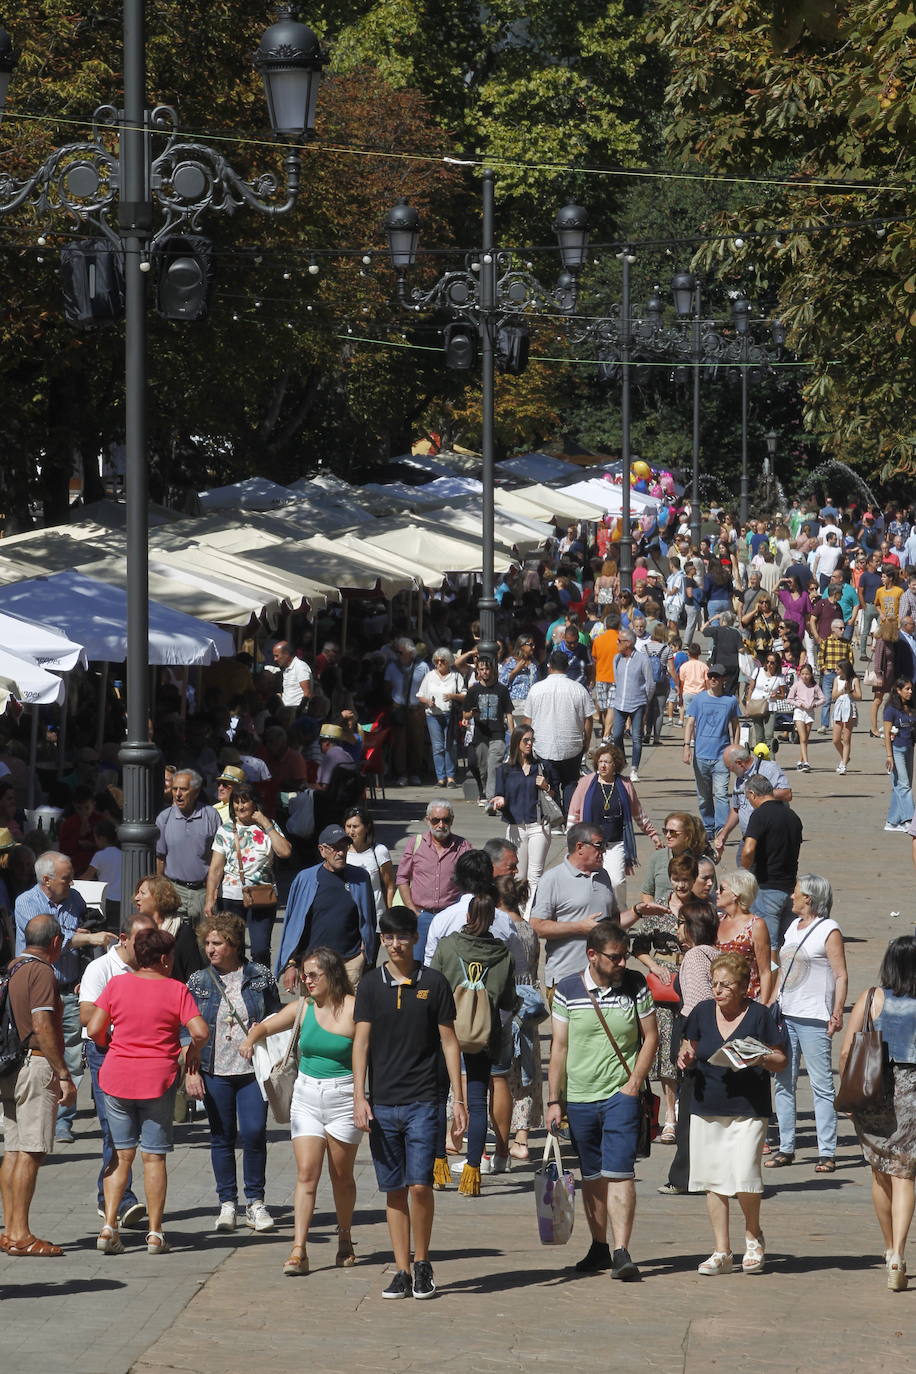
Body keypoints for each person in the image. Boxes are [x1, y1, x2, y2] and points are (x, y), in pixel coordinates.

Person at [352, 907, 468, 1300]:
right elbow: (361, 1043)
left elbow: (449, 1042)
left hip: (424, 1100)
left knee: (420, 1185)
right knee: (394, 1190)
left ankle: (423, 1262)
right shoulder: (369, 985)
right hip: (383, 1102)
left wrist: (459, 1098)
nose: (396, 943)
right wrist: (359, 1096)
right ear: (381, 940)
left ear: (415, 939)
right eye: (389, 937)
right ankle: (401, 1269)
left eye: (402, 936)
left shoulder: (433, 983)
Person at [546, 920, 658, 1280]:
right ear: (591, 955)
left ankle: (622, 1250)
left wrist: (634, 1083)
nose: (622, 963)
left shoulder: (635, 986)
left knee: (621, 1172)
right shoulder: (567, 990)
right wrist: (554, 1100)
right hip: (579, 1098)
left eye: (625, 956)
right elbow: (559, 1048)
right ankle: (599, 1246)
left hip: (620, 1095)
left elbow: (650, 1036)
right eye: (615, 957)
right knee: (592, 1175)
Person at [240, 946, 362, 1276]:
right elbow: (267, 1025)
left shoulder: (354, 1009)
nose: (306, 981)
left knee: (342, 1177)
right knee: (306, 1174)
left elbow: (370, 1055)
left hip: (343, 1098)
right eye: (304, 974)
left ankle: (345, 1235)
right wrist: (251, 1039)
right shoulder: (304, 1008)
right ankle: (299, 1249)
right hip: (307, 1097)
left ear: (332, 975)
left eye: (312, 975)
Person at [87, 927, 209, 1256]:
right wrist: (190, 1052)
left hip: (117, 1076)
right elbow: (200, 1030)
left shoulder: (116, 984)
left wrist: (110, 1046)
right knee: (153, 1157)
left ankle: (109, 1226)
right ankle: (155, 1233)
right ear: (166, 958)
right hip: (157, 1078)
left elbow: (95, 1028)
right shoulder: (176, 990)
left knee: (120, 1155)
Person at [678, 952, 788, 1275]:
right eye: (714, 983)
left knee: (744, 1175)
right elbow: (689, 1048)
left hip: (748, 1108)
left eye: (726, 984)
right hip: (707, 1104)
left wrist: (761, 1059)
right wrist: (685, 1056)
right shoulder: (700, 1012)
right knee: (713, 1179)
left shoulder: (759, 1016)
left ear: (743, 987)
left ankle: (753, 1236)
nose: (718, 990)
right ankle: (722, 1251)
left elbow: (781, 1059)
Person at [185, 912, 282, 1234]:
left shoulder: (260, 976)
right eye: (207, 943)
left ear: (234, 943)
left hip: (253, 1069)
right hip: (215, 1069)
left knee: (254, 1132)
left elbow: (277, 1017)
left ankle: (255, 1202)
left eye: (218, 943)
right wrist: (191, 1071)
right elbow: (188, 1029)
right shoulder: (198, 981)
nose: (211, 949)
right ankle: (228, 1202)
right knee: (221, 1136)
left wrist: (264, 1028)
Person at [14, 850, 116, 1145]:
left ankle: (63, 1120)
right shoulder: (26, 902)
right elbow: (50, 938)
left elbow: (80, 939)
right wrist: (87, 937)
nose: (72, 884)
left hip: (68, 987)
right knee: (37, 1054)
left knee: (71, 1054)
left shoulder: (75, 900)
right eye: (66, 879)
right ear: (46, 880)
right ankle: (34, 1113)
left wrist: (85, 974)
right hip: (35, 991)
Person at [841, 935, 916, 1292]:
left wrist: (847, 1094)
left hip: (872, 1090)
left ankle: (888, 1248)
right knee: (905, 1173)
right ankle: (900, 1253)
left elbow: (845, 1053)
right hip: (912, 1094)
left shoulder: (871, 998)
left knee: (879, 1172)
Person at [430, 894, 517, 1195]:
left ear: (467, 915)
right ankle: (472, 1174)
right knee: (477, 1102)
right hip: (483, 1034)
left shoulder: (447, 946)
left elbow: (434, 986)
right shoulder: (503, 955)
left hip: (445, 1032)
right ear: (493, 919)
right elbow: (507, 1000)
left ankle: (439, 1167)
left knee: (441, 1098)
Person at [0, 915, 76, 1257]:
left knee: (14, 1151)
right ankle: (20, 1233)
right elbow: (43, 1023)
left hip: (10, 1068)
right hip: (34, 1063)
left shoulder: (12, 968)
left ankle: (11, 1228)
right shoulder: (42, 971)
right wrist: (62, 1072)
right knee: (32, 1151)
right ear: (56, 943)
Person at [78, 911, 157, 1229]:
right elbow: (86, 1015)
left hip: (141, 1052)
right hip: (105, 1051)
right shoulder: (100, 968)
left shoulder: (152, 966)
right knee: (114, 1128)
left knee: (132, 1130)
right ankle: (120, 1200)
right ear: (123, 939)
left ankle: (108, 1195)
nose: (150, 945)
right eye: (143, 939)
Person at [767, 875, 847, 1173]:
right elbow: (783, 969)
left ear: (809, 899)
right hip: (786, 1014)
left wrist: (837, 1011)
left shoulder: (829, 930)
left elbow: (840, 974)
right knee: (783, 1082)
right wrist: (773, 1000)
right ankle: (786, 1147)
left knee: (821, 1084)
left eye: (797, 893)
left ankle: (827, 1152)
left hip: (814, 1017)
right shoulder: (792, 926)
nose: (791, 897)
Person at [658, 900, 720, 1196]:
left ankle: (684, 1177)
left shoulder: (695, 957)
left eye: (681, 923)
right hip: (711, 1038)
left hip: (697, 1037)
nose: (677, 929)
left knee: (690, 1112)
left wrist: (688, 1042)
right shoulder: (714, 954)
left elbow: (697, 1003)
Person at [277, 825, 377, 991]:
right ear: (322, 850)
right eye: (335, 848)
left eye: (344, 848)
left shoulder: (360, 878)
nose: (341, 853)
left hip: (350, 962)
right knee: (313, 1015)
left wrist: (365, 953)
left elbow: (369, 918)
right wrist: (291, 964)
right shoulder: (305, 879)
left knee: (349, 1015)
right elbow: (293, 926)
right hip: (313, 965)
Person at [204, 784, 291, 966]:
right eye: (236, 802)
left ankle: (263, 987)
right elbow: (216, 868)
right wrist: (210, 898)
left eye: (245, 802)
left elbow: (285, 852)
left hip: (262, 895)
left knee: (260, 950)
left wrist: (266, 823)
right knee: (233, 949)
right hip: (230, 897)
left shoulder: (269, 826)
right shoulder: (225, 830)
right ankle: (239, 988)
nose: (240, 807)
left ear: (254, 804)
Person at [566, 743, 662, 908]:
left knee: (616, 882)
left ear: (615, 765)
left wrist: (653, 834)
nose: (603, 765)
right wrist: (571, 838)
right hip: (590, 844)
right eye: (601, 761)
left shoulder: (625, 785)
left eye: (607, 762)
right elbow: (574, 811)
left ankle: (620, 915)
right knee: (591, 882)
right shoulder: (586, 783)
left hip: (615, 842)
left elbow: (638, 812)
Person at [394, 801, 472, 961]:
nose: (441, 825)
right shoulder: (415, 844)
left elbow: (471, 881)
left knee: (451, 963)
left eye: (446, 820)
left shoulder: (464, 847)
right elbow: (402, 878)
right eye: (436, 820)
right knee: (417, 963)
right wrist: (412, 910)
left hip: (451, 918)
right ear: (427, 820)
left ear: (452, 820)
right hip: (422, 917)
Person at [525, 649, 595, 813]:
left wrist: (526, 744)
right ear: (567, 667)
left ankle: (555, 818)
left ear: (549, 666)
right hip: (572, 745)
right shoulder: (578, 689)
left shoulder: (536, 689)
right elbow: (588, 719)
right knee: (571, 783)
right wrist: (586, 741)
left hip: (544, 745)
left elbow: (528, 720)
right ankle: (569, 817)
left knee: (550, 783)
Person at [490, 727, 554, 903]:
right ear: (516, 742)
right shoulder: (505, 769)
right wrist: (499, 801)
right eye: (525, 740)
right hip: (515, 827)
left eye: (532, 740)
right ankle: (518, 913)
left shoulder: (542, 766)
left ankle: (530, 917)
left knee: (535, 875)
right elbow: (498, 794)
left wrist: (546, 786)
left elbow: (555, 797)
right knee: (517, 875)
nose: (529, 743)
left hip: (539, 826)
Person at [740, 774, 803, 951]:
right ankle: (784, 978)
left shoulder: (759, 815)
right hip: (790, 888)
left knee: (768, 946)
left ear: (752, 794)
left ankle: (771, 978)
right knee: (787, 945)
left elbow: (748, 849)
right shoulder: (792, 816)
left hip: (766, 888)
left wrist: (745, 871)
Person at [155, 769, 220, 924]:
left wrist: (213, 892)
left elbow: (219, 859)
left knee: (206, 943)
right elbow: (160, 859)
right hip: (175, 891)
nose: (178, 794)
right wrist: (160, 891)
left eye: (183, 789)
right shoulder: (164, 818)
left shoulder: (211, 816)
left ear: (196, 792)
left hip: (204, 891)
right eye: (175, 789)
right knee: (176, 943)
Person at [683, 665, 740, 840]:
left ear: (724, 680)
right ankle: (708, 827)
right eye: (711, 676)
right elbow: (690, 723)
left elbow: (736, 725)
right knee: (704, 797)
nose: (714, 679)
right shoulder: (699, 700)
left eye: (717, 676)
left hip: (721, 756)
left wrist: (735, 749)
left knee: (721, 794)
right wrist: (686, 746)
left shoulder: (730, 701)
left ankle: (721, 830)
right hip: (701, 755)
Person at [714, 743, 792, 857]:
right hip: (748, 837)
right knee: (742, 866)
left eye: (729, 767)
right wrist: (723, 835)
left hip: (770, 839)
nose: (730, 771)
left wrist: (761, 793)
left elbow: (787, 794)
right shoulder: (740, 778)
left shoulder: (769, 769)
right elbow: (736, 809)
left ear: (739, 763)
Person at [134, 873, 206, 984]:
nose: (136, 898)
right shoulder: (135, 929)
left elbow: (193, 973)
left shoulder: (183, 932)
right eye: (137, 893)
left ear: (159, 898)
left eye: (142, 893)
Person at [461, 655, 515, 803]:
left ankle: (491, 799)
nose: (485, 672)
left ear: (492, 670)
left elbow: (508, 713)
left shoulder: (501, 690)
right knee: (482, 767)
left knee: (493, 766)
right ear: (477, 671)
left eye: (487, 668)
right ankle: (484, 791)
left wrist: (513, 734)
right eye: (481, 669)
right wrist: (471, 713)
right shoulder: (474, 690)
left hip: (497, 734)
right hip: (480, 734)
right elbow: (465, 713)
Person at [716, 870, 774, 1003]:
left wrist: (763, 1007)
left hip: (747, 1000)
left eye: (722, 889)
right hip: (719, 999)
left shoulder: (756, 925)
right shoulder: (717, 921)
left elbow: (765, 971)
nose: (717, 892)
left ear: (735, 894)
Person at [610, 630, 655, 783]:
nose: (617, 643)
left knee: (637, 737)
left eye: (619, 640)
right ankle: (622, 761)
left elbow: (650, 683)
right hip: (620, 703)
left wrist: (646, 702)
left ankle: (634, 769)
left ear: (628, 643)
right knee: (616, 735)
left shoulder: (643, 659)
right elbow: (617, 680)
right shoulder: (617, 659)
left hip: (638, 703)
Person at [638, 811, 709, 905]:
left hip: (692, 914)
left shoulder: (702, 863)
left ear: (687, 836)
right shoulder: (657, 857)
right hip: (661, 915)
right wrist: (654, 911)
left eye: (673, 832)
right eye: (665, 831)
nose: (668, 836)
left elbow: (711, 896)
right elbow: (646, 893)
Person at [417, 648, 464, 787]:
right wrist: (427, 701)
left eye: (442, 661)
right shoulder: (430, 676)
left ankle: (451, 777)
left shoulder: (456, 676)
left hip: (450, 714)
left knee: (450, 745)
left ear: (448, 662)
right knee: (437, 747)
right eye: (436, 661)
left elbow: (464, 695)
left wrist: (452, 696)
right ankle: (441, 778)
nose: (438, 664)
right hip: (433, 715)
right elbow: (420, 695)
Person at [343, 806, 396, 924]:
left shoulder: (379, 851)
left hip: (375, 918)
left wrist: (390, 916)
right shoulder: (340, 853)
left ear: (367, 828)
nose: (351, 831)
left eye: (356, 827)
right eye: (348, 826)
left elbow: (390, 886)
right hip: (348, 919)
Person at [883, 677, 916, 832]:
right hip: (896, 750)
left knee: (901, 785)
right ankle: (910, 819)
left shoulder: (910, 707)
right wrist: (889, 756)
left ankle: (892, 821)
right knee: (904, 785)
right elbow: (887, 733)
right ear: (898, 690)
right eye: (907, 689)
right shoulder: (890, 709)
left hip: (909, 748)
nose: (910, 692)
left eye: (911, 689)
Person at [743, 651, 787, 751]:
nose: (769, 665)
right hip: (756, 705)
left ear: (777, 664)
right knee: (759, 736)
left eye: (772, 663)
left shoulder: (780, 677)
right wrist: (748, 704)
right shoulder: (758, 671)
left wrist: (776, 695)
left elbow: (783, 695)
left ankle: (770, 760)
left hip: (770, 707)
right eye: (768, 662)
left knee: (769, 735)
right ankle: (759, 760)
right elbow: (750, 688)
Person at [784, 663, 824, 771]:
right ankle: (806, 762)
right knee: (802, 737)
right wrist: (799, 704)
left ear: (811, 674)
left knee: (805, 738)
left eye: (807, 674)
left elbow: (822, 698)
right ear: (800, 674)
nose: (805, 676)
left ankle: (800, 761)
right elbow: (789, 699)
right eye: (803, 674)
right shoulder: (797, 684)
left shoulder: (814, 686)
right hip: (799, 712)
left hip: (809, 713)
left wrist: (815, 704)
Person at [831, 658, 861, 775]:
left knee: (846, 738)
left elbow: (859, 696)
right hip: (839, 707)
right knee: (836, 739)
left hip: (849, 707)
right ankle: (845, 756)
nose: (836, 670)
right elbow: (833, 695)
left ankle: (843, 764)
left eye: (838, 669)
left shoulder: (854, 680)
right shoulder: (836, 679)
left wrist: (850, 691)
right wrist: (843, 691)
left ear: (844, 670)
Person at [271, 639, 313, 708]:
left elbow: (307, 693)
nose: (275, 659)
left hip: (297, 711)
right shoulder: (287, 669)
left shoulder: (300, 667)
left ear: (286, 654)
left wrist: (298, 712)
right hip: (288, 711)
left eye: (277, 656)